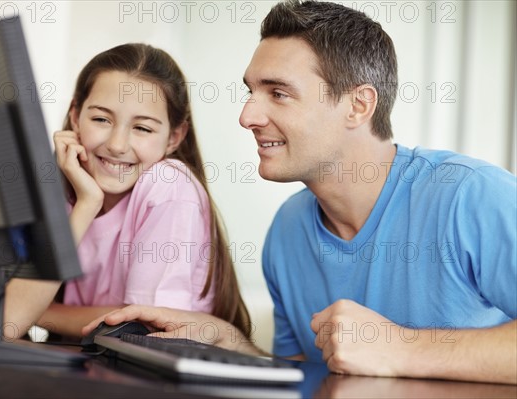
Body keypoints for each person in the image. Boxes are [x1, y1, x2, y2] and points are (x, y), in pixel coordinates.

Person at [83, 0, 517, 385]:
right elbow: (304, 380)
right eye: (251, 92)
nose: (248, 115)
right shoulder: (288, 231)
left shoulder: (472, 196)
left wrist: (402, 348)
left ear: (358, 105)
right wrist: (228, 341)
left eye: (278, 93)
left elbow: (386, 353)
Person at [5, 43, 251, 340]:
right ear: (75, 116)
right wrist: (87, 203)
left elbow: (143, 326)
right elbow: (11, 322)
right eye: (101, 119)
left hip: (154, 378)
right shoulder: (69, 191)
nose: (118, 144)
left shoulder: (168, 184)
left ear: (174, 137)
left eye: (143, 128)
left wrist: (38, 309)